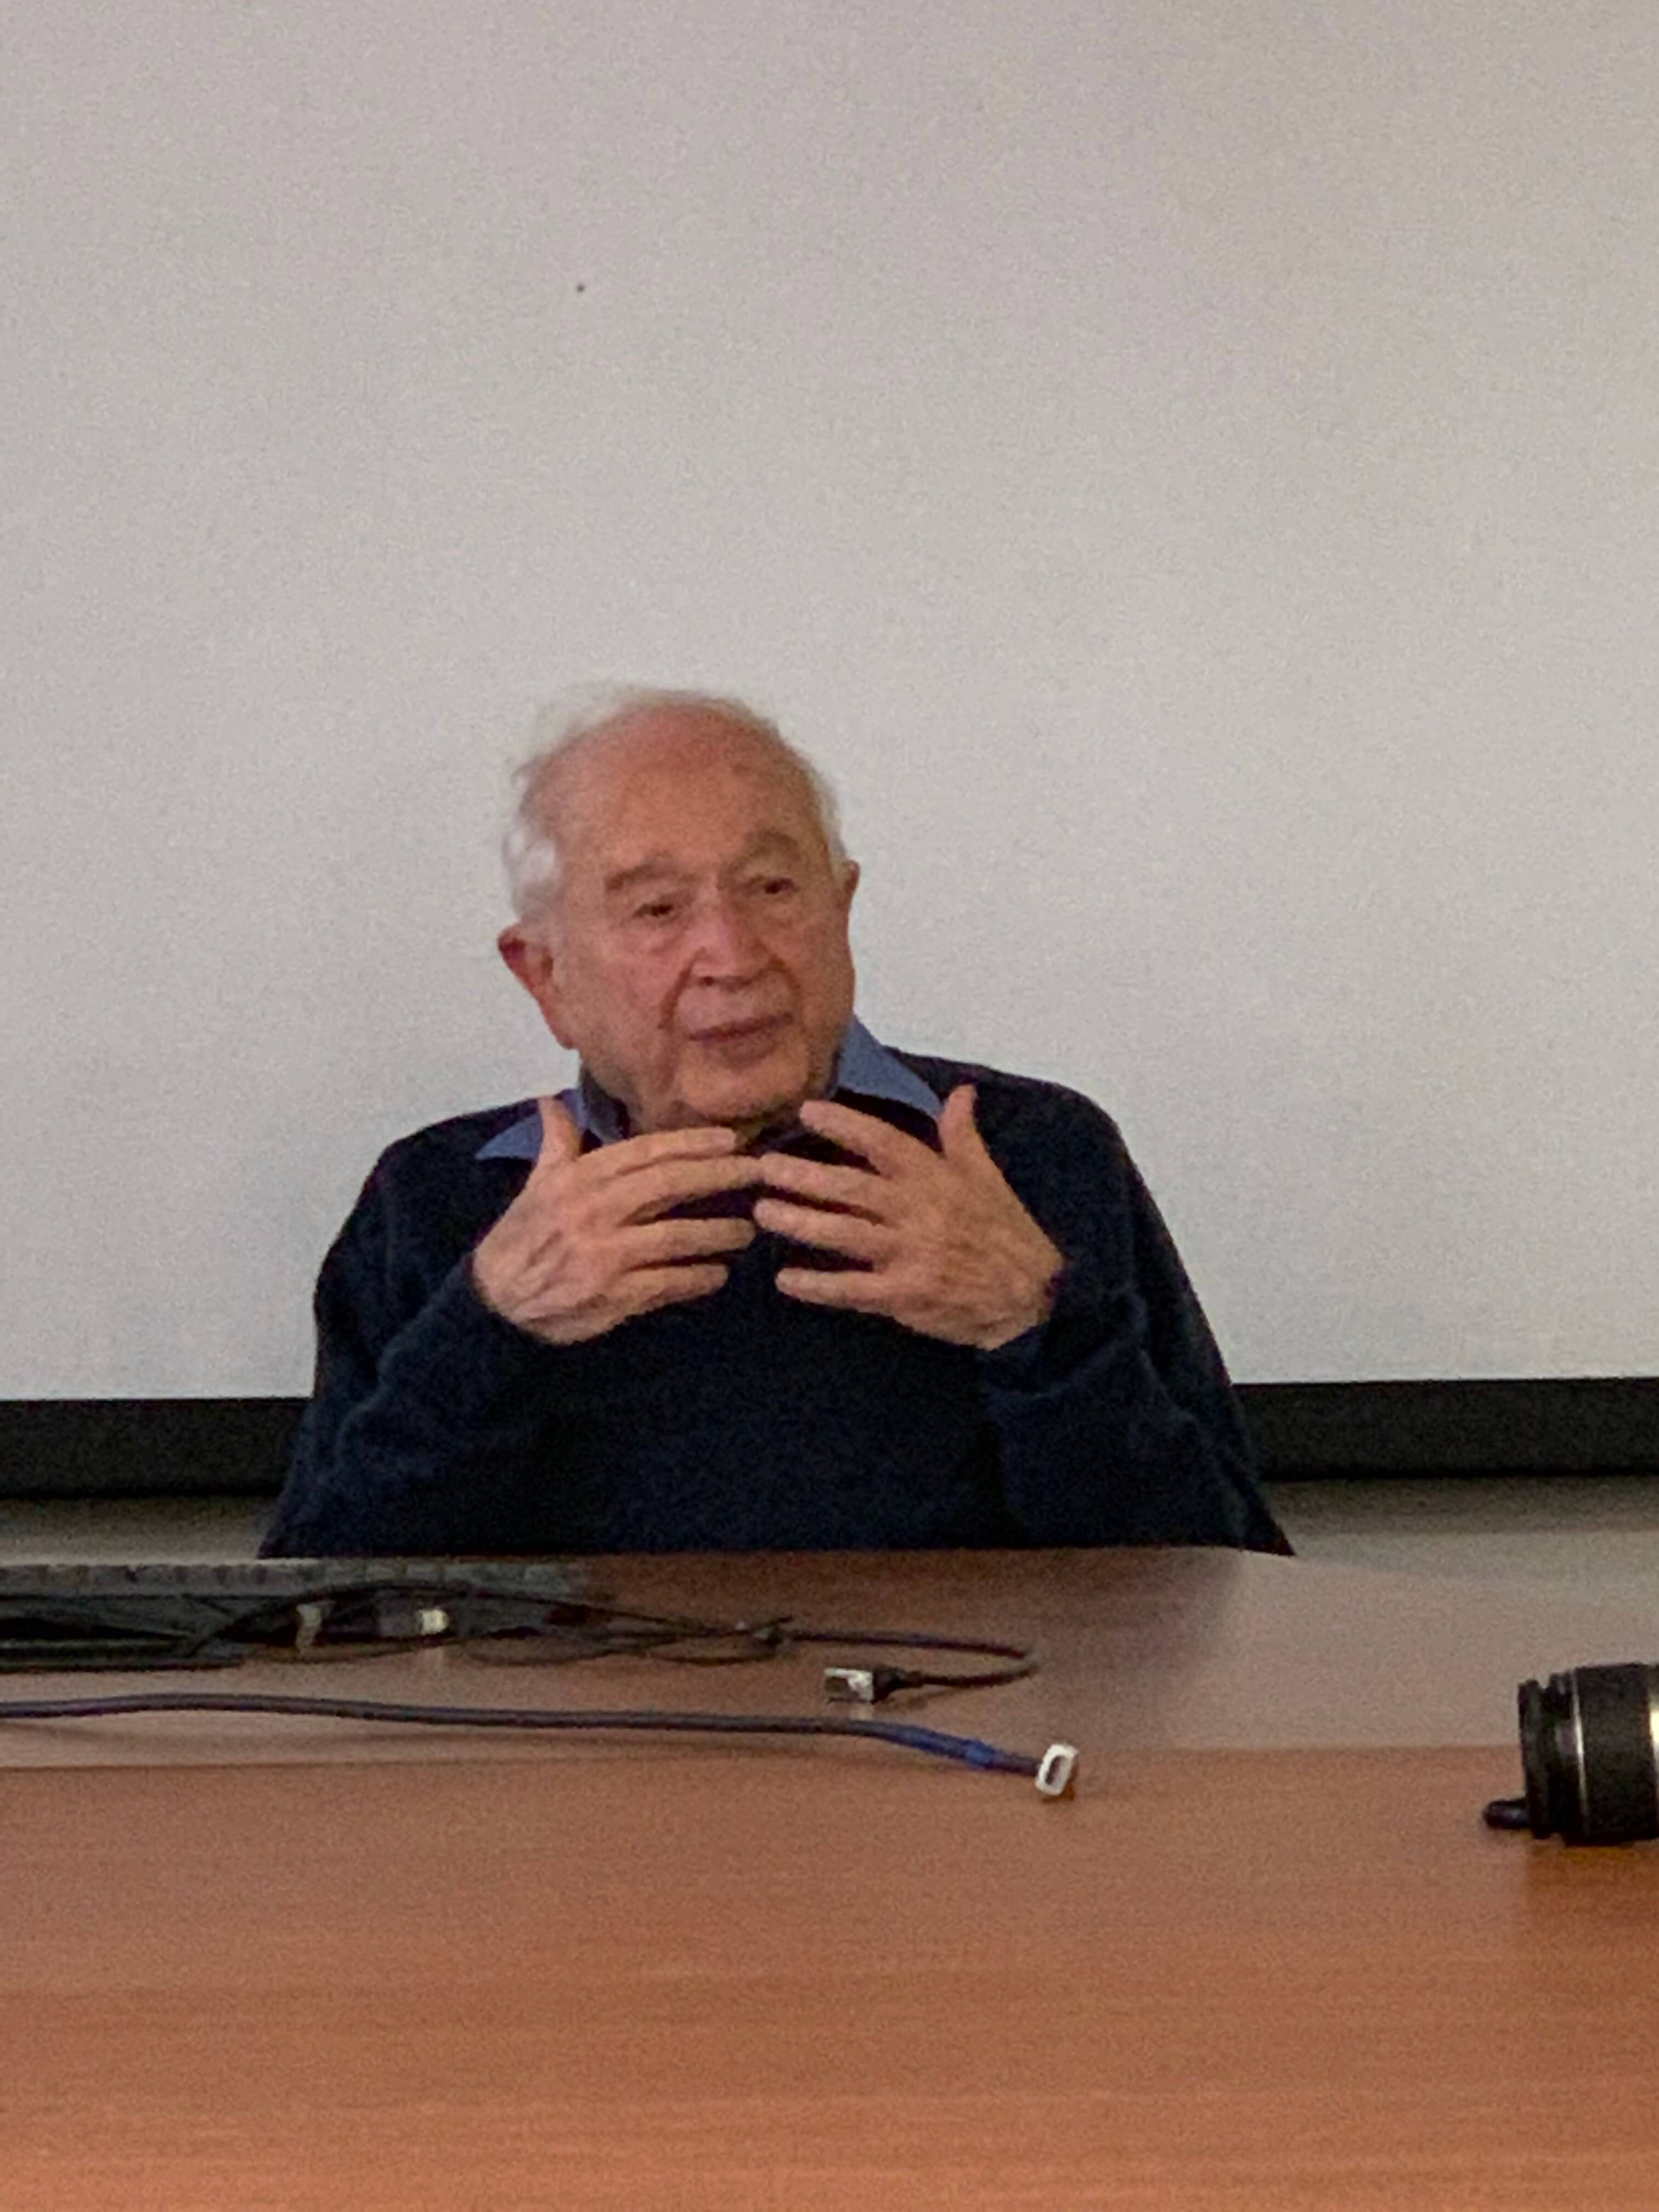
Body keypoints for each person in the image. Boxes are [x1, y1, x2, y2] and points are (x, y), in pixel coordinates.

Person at [264, 686, 1286, 1558]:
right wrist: (489, 1330)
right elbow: (310, 1612)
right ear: (546, 976)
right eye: (658, 910)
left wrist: (1033, 1327)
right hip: (584, 1734)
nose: (732, 953)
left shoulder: (1027, 1153)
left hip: (965, 1727)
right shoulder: (440, 1200)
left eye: (772, 888)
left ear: (842, 910)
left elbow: (1227, 1589)